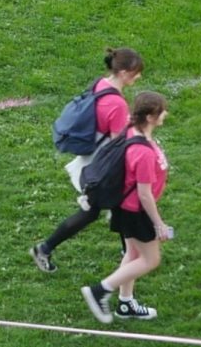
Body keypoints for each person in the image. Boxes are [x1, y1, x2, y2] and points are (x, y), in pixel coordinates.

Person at [32, 49, 145, 274]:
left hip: (92, 156)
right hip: (103, 165)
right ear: (123, 72)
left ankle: (128, 254)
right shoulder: (117, 104)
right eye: (135, 72)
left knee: (121, 208)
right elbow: (117, 145)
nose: (138, 77)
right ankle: (44, 249)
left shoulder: (100, 84)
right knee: (100, 210)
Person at [79, 90, 173, 324]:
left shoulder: (132, 131)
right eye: (162, 112)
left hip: (125, 207)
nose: (165, 115)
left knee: (133, 253)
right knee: (150, 259)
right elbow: (144, 194)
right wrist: (158, 223)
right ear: (150, 117)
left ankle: (126, 302)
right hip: (136, 212)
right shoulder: (142, 152)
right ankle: (100, 290)